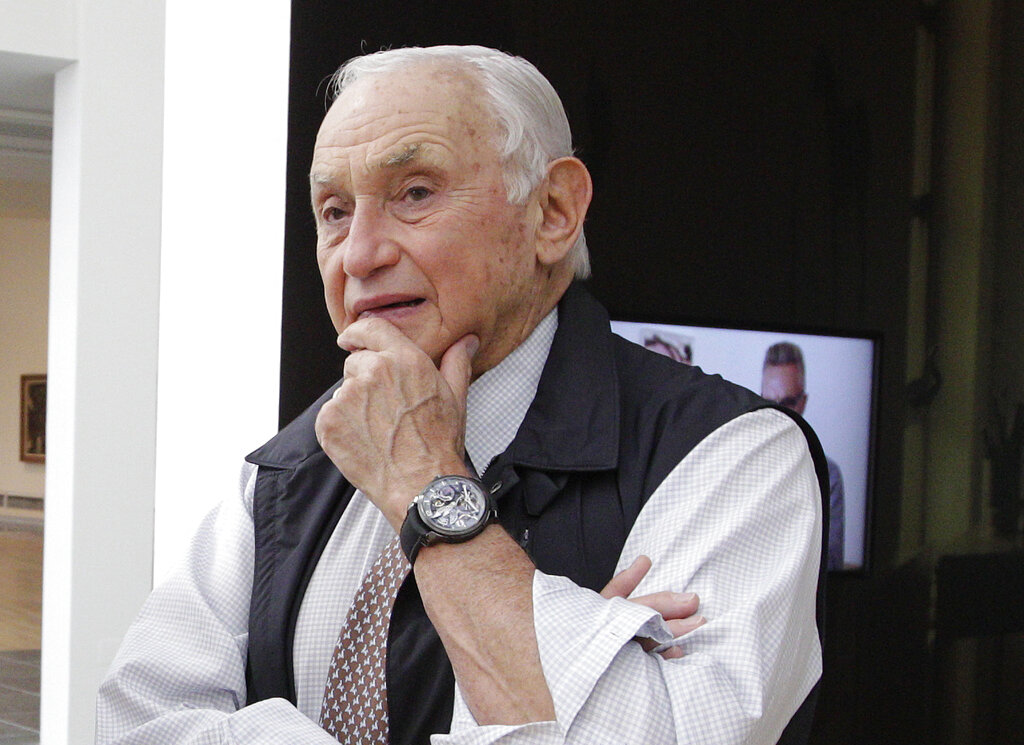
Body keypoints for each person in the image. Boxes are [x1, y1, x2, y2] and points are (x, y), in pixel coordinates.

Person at [97, 45, 828, 744]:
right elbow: (134, 723)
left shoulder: (731, 455)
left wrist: (428, 482)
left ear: (553, 212)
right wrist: (556, 667)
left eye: (415, 192)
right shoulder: (284, 474)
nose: (359, 255)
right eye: (334, 211)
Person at [761, 341, 845, 570]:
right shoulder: (737, 464)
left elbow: (832, 563)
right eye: (769, 402)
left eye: (788, 402)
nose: (778, 412)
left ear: (803, 402)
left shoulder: (828, 474)